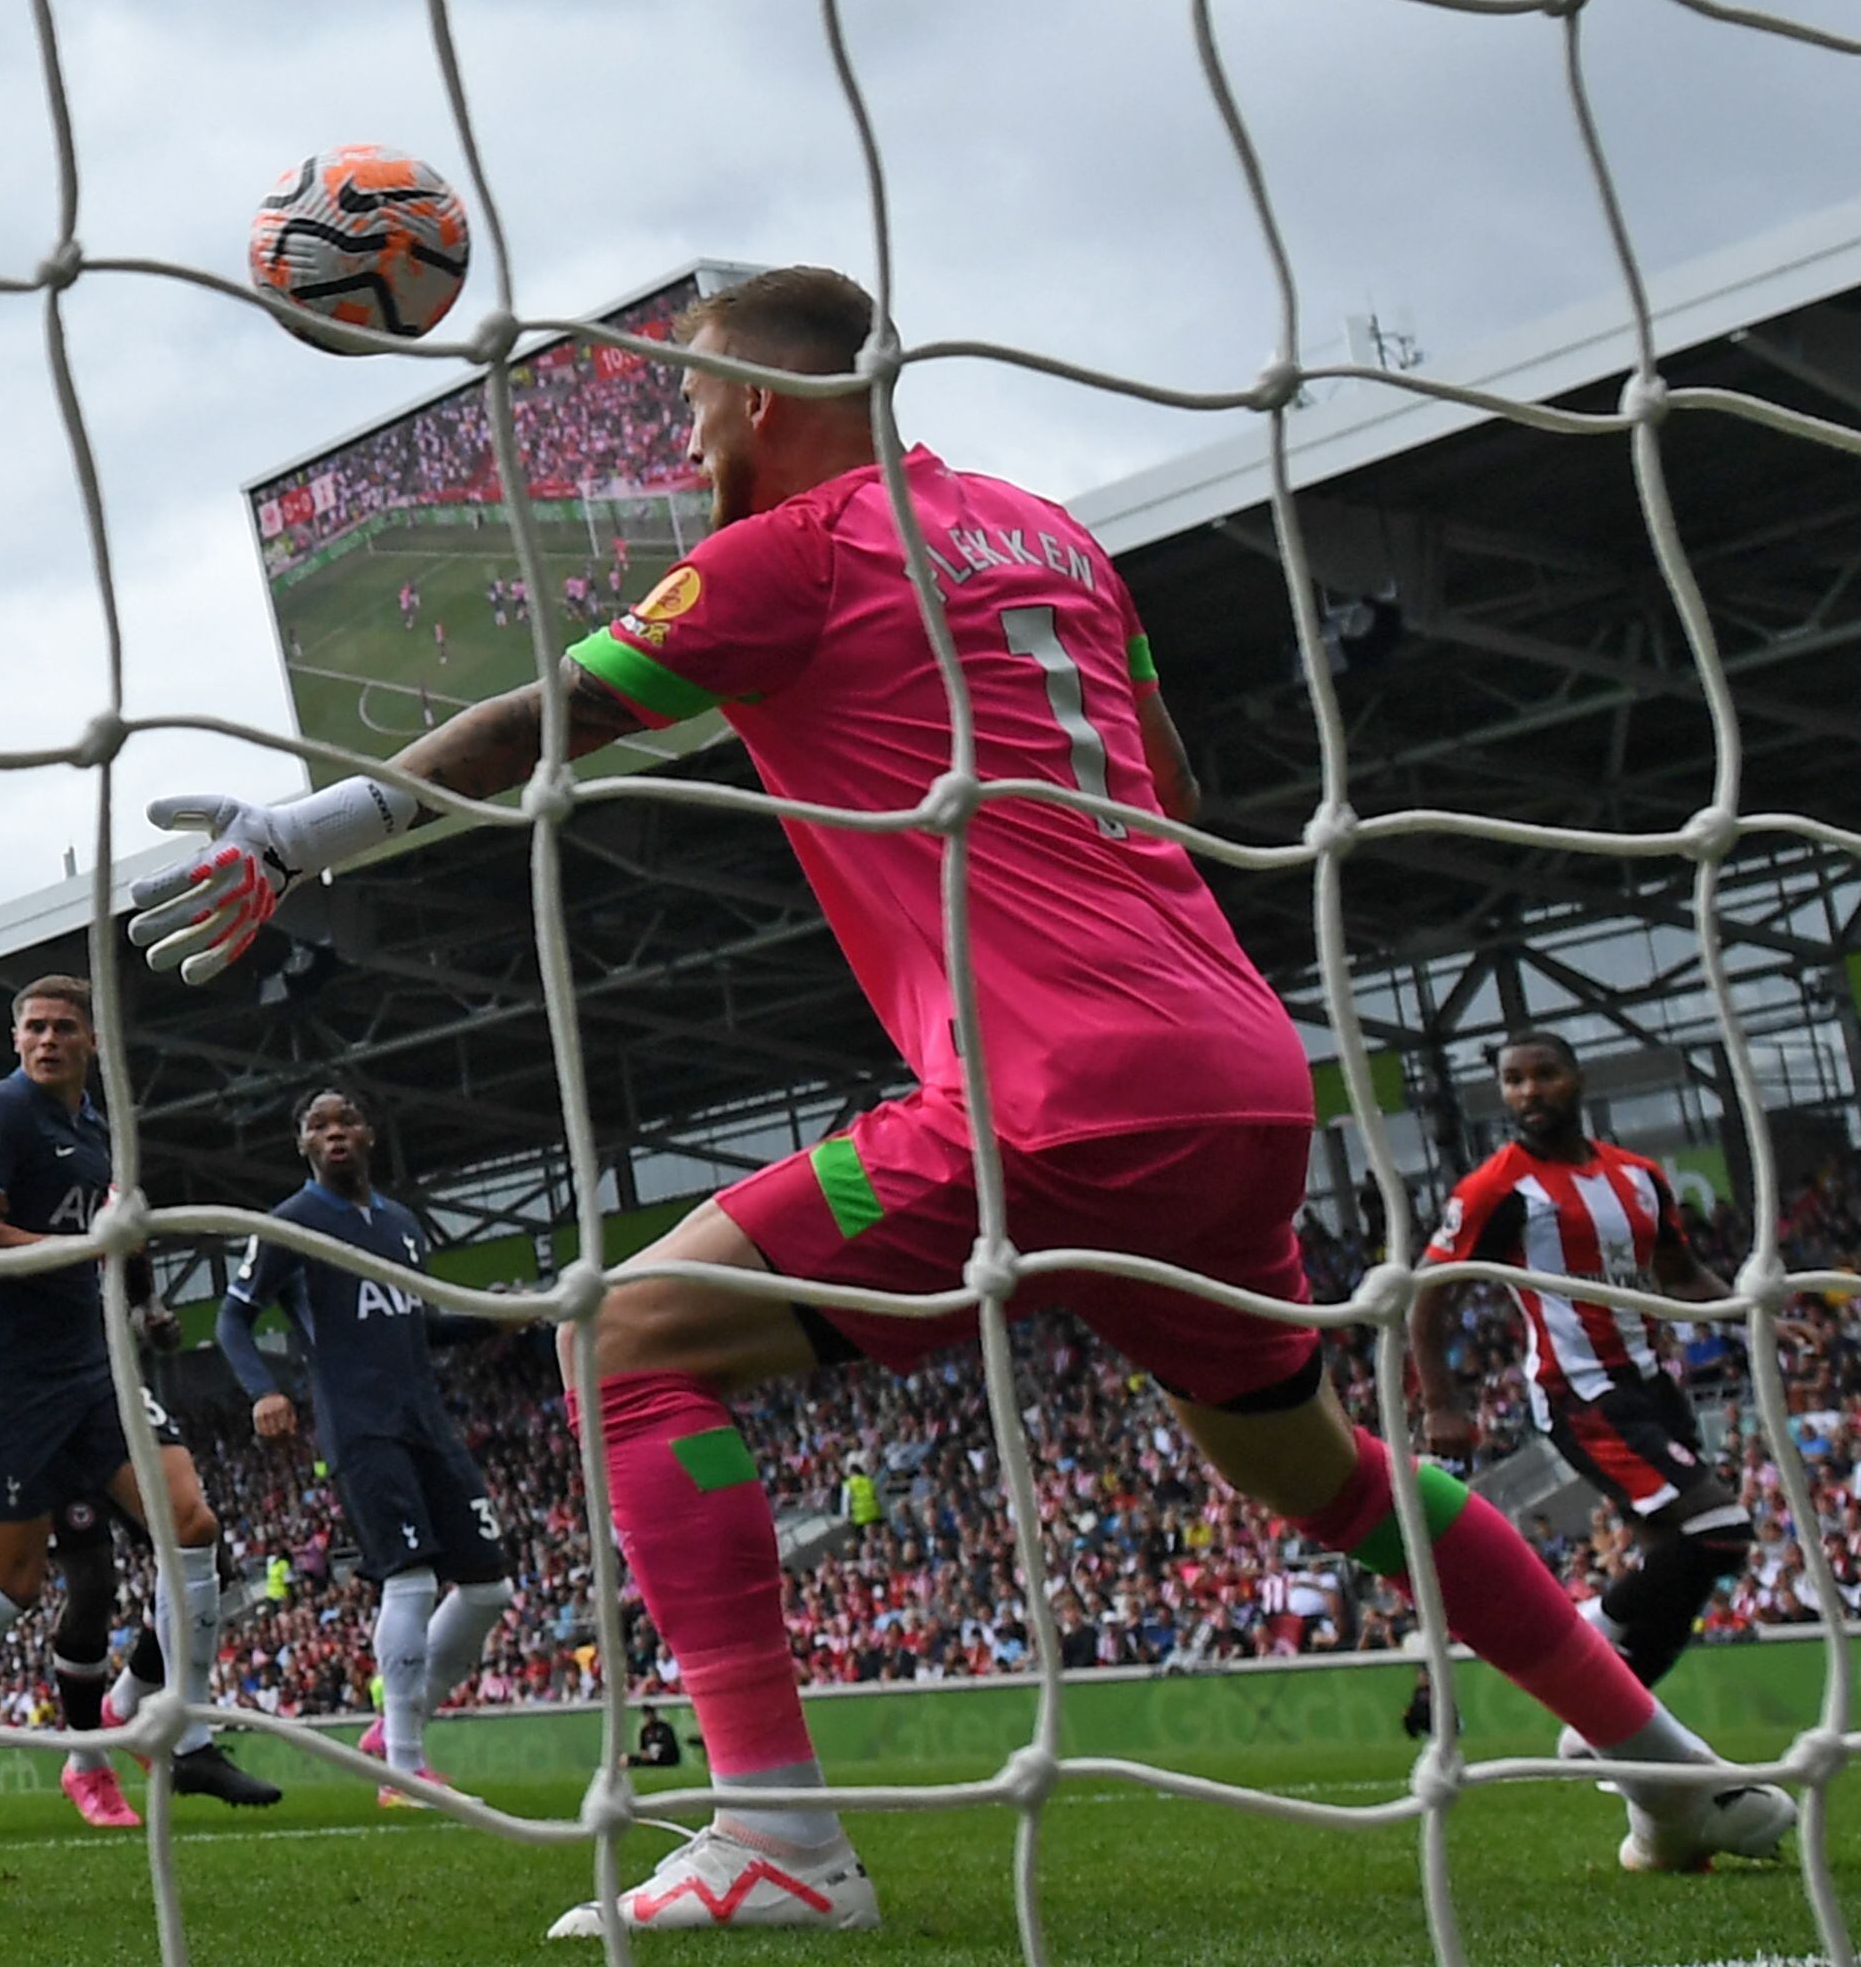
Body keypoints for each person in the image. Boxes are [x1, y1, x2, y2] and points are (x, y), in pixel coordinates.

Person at [126, 266, 1793, 1935]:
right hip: (1234, 1070)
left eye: (695, 401)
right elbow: (1178, 784)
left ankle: (777, 1835)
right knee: (1321, 1475)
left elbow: (533, 725)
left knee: (623, 1333)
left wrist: (295, 836)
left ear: (762, 404)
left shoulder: (787, 552)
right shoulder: (1044, 532)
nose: (689, 432)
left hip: (1053, 1090)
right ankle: (1668, 1766)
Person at [0, 975, 278, 1821]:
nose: (48, 1040)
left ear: (92, 1041)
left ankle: (186, 1737)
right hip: (10, 1379)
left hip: (91, 1367)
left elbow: (108, 1237)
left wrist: (135, 1298)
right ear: (15, 1040)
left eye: (64, 1028)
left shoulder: (99, 1126)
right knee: (14, 1582)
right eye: (34, 1028)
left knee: (192, 1525)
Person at [1415, 1031, 1758, 1696]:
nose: (1529, 1091)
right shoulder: (1498, 1186)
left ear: (1577, 1078)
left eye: (1544, 1074)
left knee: (1683, 1570)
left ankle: (1616, 1733)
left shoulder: (1638, 1176)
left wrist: (1756, 1314)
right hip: (1580, 1393)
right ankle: (1572, 1634)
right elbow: (1428, 1303)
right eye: (1514, 1080)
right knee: (1720, 1530)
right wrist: (1441, 1403)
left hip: (1652, 1386)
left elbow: (1681, 1276)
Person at [216, 1085, 513, 1799]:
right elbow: (234, 1319)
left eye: (345, 1119)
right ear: (303, 1145)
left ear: (370, 1133)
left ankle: (396, 1727)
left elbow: (416, 1322)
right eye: (317, 1125)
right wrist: (265, 1390)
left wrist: (497, 1316)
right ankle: (405, 1769)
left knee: (488, 1591)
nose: (334, 1132)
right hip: (359, 1423)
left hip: (427, 1422)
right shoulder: (291, 1223)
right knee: (408, 1580)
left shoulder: (403, 1224)